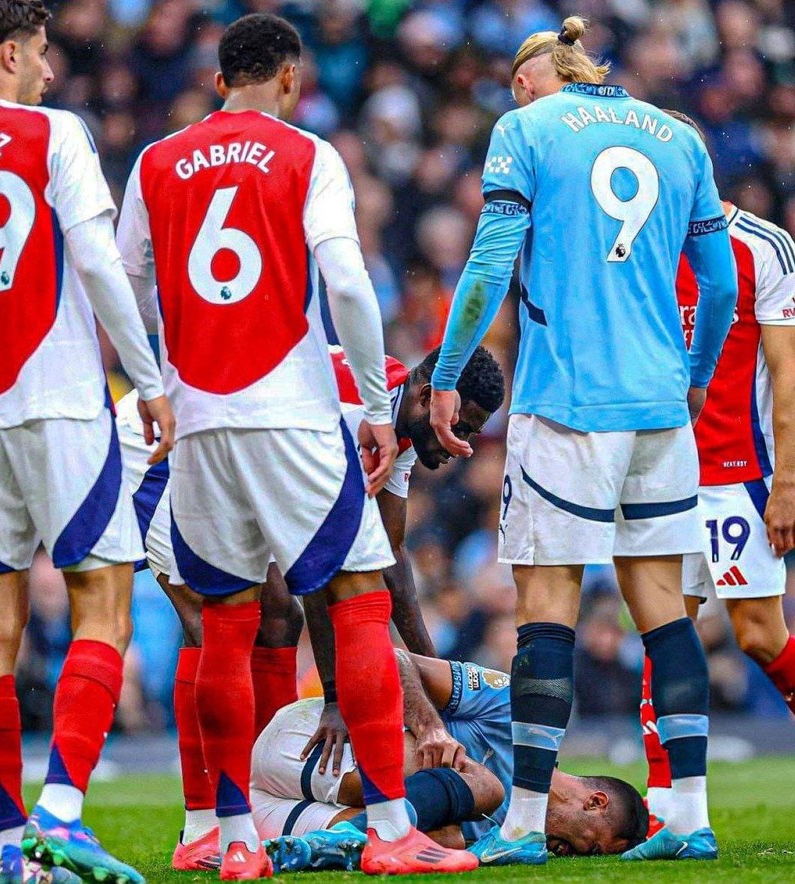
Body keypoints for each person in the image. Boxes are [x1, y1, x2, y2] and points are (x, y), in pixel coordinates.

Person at [115, 12, 477, 880]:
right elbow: (347, 279)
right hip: (290, 410)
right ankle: (393, 832)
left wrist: (156, 380)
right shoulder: (307, 154)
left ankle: (236, 840)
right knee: (355, 602)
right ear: (289, 79)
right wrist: (381, 401)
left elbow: (124, 278)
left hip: (197, 419)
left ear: (216, 80)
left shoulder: (156, 162)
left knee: (226, 629)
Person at [428, 16, 738, 865]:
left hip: (568, 404)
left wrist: (450, 370)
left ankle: (526, 821)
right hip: (660, 407)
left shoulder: (524, 129)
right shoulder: (679, 135)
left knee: (547, 615)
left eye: (513, 81)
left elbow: (491, 261)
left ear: (533, 78)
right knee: (664, 615)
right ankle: (688, 817)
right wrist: (697, 372)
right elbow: (717, 282)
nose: (510, 92)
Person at [0, 2, 175, 883]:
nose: (54, 72)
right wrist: (149, 380)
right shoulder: (52, 132)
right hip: (57, 398)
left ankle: (8, 850)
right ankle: (61, 813)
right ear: (12, 53)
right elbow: (97, 263)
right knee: (103, 601)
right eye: (46, 55)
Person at [116, 343, 504, 870]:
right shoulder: (351, 412)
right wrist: (335, 699)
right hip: (165, 448)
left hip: (235, 447)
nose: (464, 445)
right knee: (215, 627)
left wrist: (434, 684)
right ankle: (204, 827)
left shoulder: (401, 425)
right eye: (465, 425)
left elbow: (386, 561)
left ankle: (242, 811)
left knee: (278, 621)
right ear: (427, 396)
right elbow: (328, 575)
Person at [641, 112, 795, 826]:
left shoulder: (762, 246)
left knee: (761, 633)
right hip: (661, 471)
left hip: (741, 473)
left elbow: (787, 377)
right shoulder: (636, 246)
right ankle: (670, 807)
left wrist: (789, 482)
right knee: (662, 628)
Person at [251, 649, 648, 870]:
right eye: (590, 848)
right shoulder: (515, 713)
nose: (571, 854)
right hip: (318, 739)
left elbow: (435, 840)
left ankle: (322, 846)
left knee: (427, 834)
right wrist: (430, 729)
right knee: (484, 786)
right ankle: (347, 837)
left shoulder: (506, 838)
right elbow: (392, 658)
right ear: (596, 802)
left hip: (279, 805)